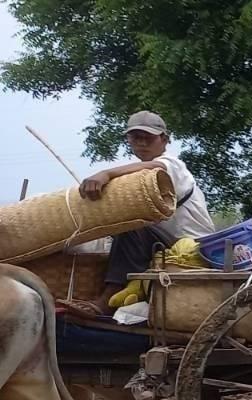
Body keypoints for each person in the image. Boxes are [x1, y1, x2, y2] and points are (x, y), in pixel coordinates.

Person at [75, 110, 217, 311]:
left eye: (148, 138)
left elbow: (155, 167)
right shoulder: (140, 175)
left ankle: (107, 299)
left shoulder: (171, 165)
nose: (141, 143)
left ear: (164, 140)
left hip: (192, 247)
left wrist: (105, 173)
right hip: (165, 244)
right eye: (135, 138)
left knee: (128, 223)